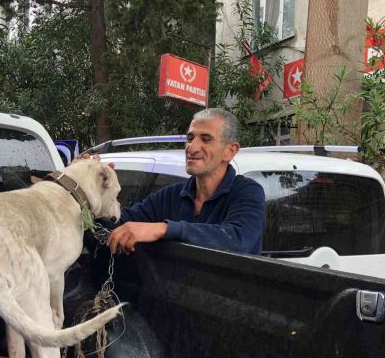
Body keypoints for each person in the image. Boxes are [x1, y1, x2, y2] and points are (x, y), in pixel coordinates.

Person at [101, 108, 265, 255]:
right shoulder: (170, 196)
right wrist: (84, 187)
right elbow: (117, 223)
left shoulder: (247, 191)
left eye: (206, 139)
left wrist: (164, 229)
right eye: (190, 138)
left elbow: (237, 239)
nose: (192, 147)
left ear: (230, 151)